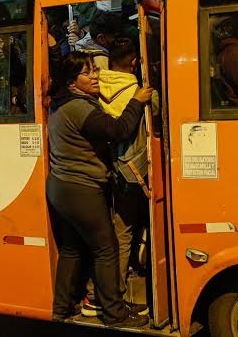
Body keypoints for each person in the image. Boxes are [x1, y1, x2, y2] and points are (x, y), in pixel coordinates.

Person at [47, 51, 152, 327]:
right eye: (87, 72)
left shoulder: (59, 103)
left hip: (62, 187)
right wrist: (137, 102)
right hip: (81, 189)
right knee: (106, 249)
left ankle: (62, 309)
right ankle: (114, 314)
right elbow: (118, 130)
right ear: (72, 81)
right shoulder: (79, 108)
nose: (95, 76)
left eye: (95, 69)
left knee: (72, 249)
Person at [92, 38, 150, 315]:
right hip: (132, 172)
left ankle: (109, 290)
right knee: (125, 233)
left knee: (118, 233)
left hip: (104, 170)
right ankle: (114, 295)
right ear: (135, 63)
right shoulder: (140, 93)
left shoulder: (94, 86)